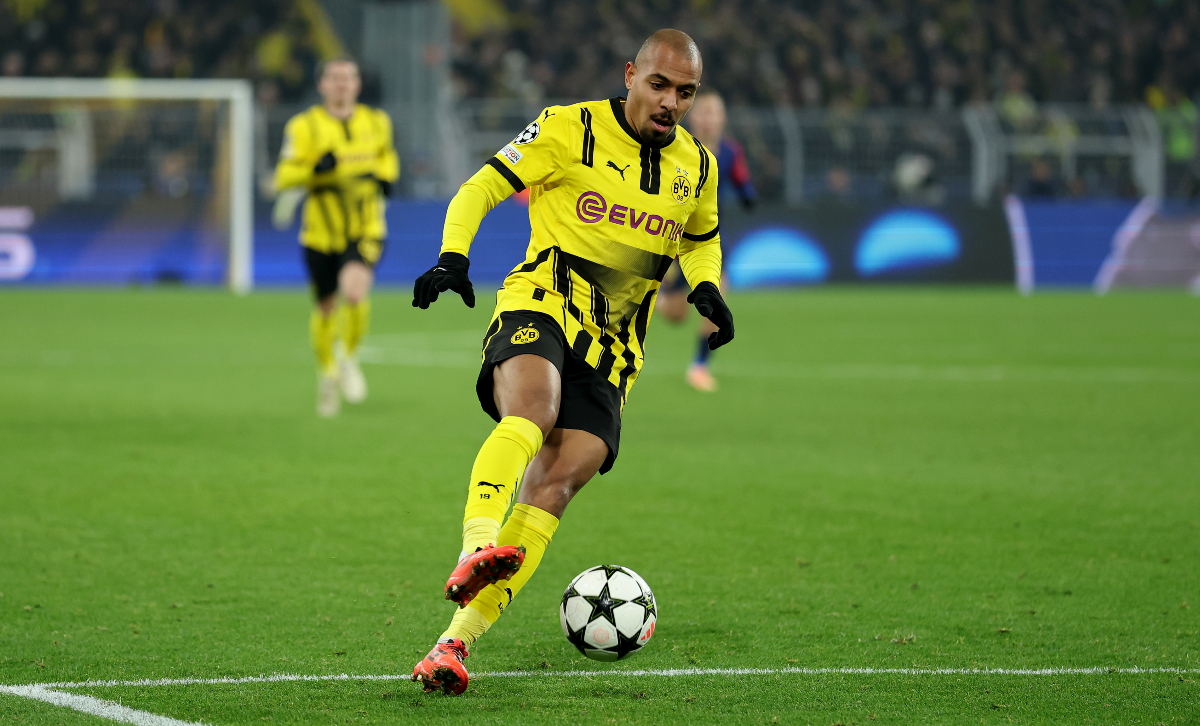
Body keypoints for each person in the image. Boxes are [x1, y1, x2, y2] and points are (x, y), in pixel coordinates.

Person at [409, 29, 734, 696]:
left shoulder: (698, 166)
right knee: (534, 408)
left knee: (558, 482)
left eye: (685, 92)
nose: (672, 102)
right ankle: (475, 549)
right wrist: (453, 255)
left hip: (616, 346)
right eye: (660, 85)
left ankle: (453, 646)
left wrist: (707, 288)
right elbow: (480, 188)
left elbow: (703, 237)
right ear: (630, 76)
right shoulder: (569, 129)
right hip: (543, 301)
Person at [272, 57, 399, 417]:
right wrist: (315, 169)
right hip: (319, 233)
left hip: (365, 227)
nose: (342, 83)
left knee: (355, 291)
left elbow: (387, 158)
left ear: (358, 85)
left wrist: (387, 177)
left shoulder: (377, 122)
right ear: (321, 85)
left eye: (349, 77)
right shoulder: (304, 126)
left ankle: (349, 358)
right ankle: (327, 374)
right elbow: (283, 177)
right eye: (334, 77)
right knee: (326, 307)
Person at [656, 88, 754, 392]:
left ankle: (699, 366)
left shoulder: (730, 151)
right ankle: (656, 300)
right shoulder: (674, 145)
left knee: (716, 297)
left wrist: (748, 194)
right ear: (693, 116)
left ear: (723, 119)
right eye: (704, 112)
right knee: (676, 315)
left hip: (707, 240)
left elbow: (741, 181)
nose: (709, 119)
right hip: (673, 240)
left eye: (715, 112)